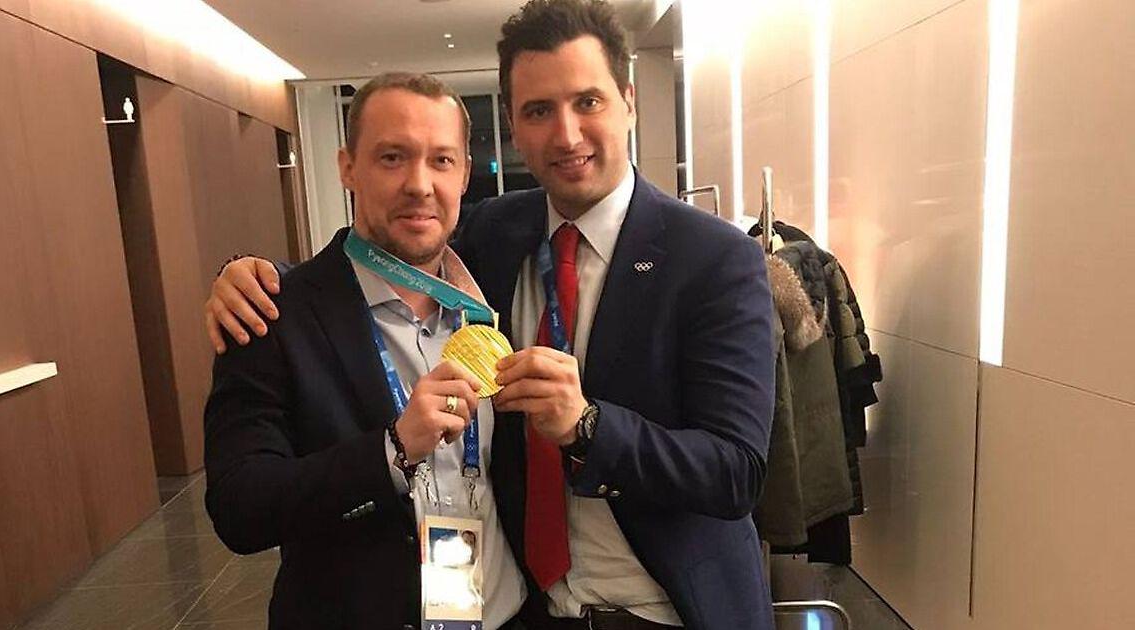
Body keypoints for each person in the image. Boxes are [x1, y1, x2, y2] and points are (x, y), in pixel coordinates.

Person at [207, 1, 776, 628]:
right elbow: (379, 255)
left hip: (667, 610)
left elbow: (738, 471)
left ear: (629, 103)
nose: (566, 135)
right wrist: (254, 275)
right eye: (538, 110)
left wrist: (588, 427)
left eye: (587, 101)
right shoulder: (497, 235)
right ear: (512, 124)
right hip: (529, 609)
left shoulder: (716, 259)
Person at [202, 72, 527, 630]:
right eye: (392, 157)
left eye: (441, 160)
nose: (420, 184)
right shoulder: (271, 314)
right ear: (348, 167)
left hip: (503, 614)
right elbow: (239, 509)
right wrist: (391, 452)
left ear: (464, 174)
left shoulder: (496, 298)